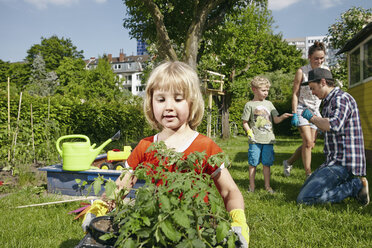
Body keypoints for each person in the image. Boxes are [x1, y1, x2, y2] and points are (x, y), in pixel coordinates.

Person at [83, 61, 249, 247]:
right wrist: (100, 208)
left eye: (178, 99)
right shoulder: (145, 146)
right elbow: (121, 187)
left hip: (197, 231)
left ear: (192, 102)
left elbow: (229, 191)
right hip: (156, 230)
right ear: (151, 102)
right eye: (161, 99)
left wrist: (238, 221)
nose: (168, 106)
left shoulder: (205, 146)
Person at [297, 68, 369, 206]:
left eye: (313, 88)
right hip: (333, 161)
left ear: (323, 82)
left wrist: (311, 117)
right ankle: (346, 186)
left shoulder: (341, 98)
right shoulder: (328, 102)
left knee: (304, 200)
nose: (312, 92)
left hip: (344, 163)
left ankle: (355, 186)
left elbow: (333, 125)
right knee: (305, 189)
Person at [283, 41, 330, 177]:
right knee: (308, 142)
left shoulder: (326, 70)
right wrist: (294, 113)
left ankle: (289, 162)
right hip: (302, 108)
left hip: (315, 109)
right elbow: (295, 93)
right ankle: (308, 174)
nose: (319, 61)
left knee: (310, 144)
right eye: (316, 58)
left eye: (322, 58)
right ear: (309, 57)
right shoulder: (301, 71)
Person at [242, 76, 292, 193]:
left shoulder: (269, 104)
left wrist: (283, 117)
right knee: (252, 164)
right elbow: (245, 122)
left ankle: (267, 186)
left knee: (267, 164)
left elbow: (276, 120)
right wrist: (249, 132)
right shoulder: (249, 105)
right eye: (263, 90)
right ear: (254, 89)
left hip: (268, 140)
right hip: (255, 141)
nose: (266, 93)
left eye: (267, 90)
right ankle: (252, 187)